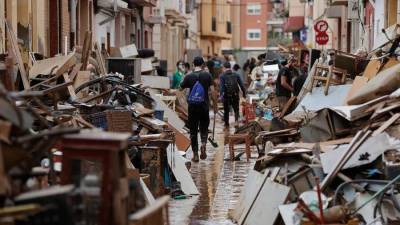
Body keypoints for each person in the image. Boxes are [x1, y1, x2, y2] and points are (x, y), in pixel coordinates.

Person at [180, 57, 214, 162]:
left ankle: (195, 154)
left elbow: (180, 89)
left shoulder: (189, 76)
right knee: (204, 128)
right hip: (204, 107)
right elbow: (212, 91)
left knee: (193, 131)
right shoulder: (207, 75)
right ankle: (203, 144)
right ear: (203, 64)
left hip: (192, 107)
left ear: (193, 64)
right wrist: (215, 106)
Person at [220, 62, 246, 129]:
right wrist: (244, 93)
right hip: (235, 94)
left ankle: (226, 124)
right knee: (236, 109)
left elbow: (222, 87)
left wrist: (221, 96)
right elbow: (242, 85)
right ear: (230, 67)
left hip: (226, 95)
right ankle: (236, 121)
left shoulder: (222, 76)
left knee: (226, 110)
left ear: (224, 67)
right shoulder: (236, 74)